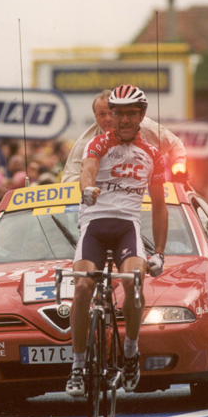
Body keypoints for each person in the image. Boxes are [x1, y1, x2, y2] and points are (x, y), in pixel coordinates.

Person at [66, 85, 169, 397]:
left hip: (127, 227)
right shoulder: (96, 144)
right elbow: (88, 170)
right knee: (83, 286)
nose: (124, 119)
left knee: (134, 282)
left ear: (142, 116)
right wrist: (87, 189)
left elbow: (161, 206)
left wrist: (160, 254)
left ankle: (130, 350)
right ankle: (78, 364)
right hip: (95, 225)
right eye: (118, 113)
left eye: (131, 113)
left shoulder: (153, 155)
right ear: (110, 115)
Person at [61, 89, 187, 183]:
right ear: (95, 118)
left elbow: (175, 144)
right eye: (101, 114)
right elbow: (69, 179)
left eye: (112, 113)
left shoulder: (146, 127)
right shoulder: (87, 142)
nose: (108, 119)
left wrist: (179, 165)